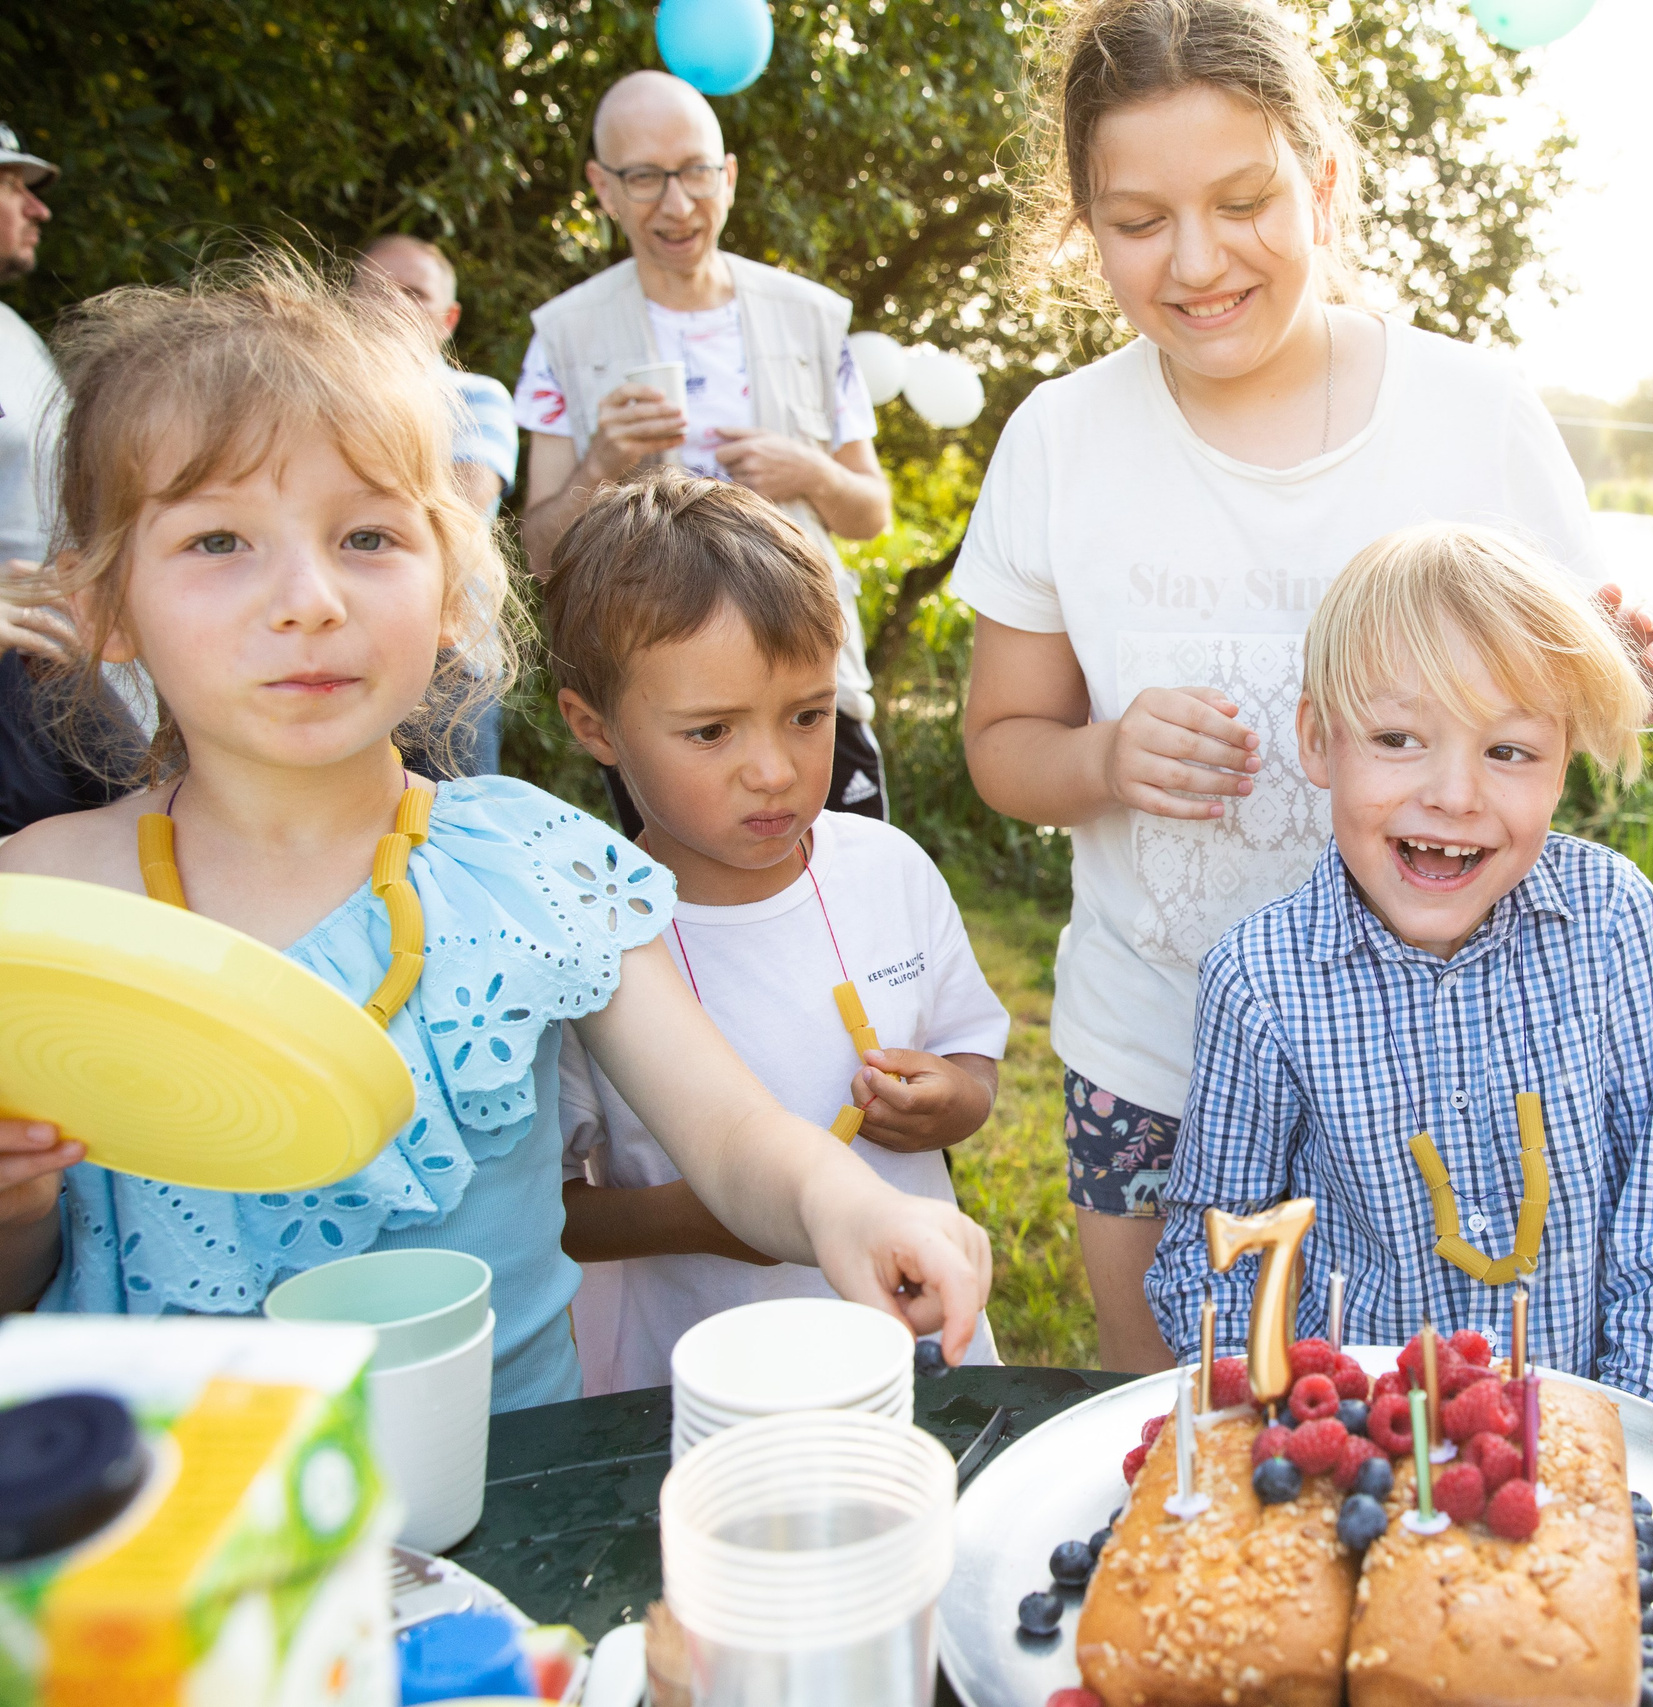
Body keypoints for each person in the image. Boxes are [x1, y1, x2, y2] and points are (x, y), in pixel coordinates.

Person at [0, 257, 987, 1412]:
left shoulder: (541, 865)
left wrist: (845, 1204)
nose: (309, 597)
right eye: (220, 542)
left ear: (451, 584)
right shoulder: (41, 905)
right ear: (105, 601)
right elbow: (29, 1288)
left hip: (505, 1507)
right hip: (164, 1521)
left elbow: (730, 1136)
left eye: (367, 537)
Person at [953, 0, 1653, 1371]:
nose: (1195, 261)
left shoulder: (1473, 415)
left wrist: (1634, 674)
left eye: (1243, 200)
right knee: (1185, 1416)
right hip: (1157, 1048)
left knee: (1430, 1418)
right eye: (1136, 219)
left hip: (1432, 1063)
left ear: (1326, 181)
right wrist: (1106, 757)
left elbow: (1579, 682)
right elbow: (1002, 743)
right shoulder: (1060, 442)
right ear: (1082, 223)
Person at [1144, 523, 1653, 1417]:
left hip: (1579, 1445)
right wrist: (1300, 1414)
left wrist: (1619, 1434)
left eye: (1509, 752)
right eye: (1397, 738)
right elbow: (1214, 1251)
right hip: (1362, 1454)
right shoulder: (1261, 982)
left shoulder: (1616, 923)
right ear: (1317, 739)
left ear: (1564, 760)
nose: (1455, 795)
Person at [541, 470, 1009, 1392]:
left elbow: (974, 1066)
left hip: (918, 1351)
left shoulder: (889, 871)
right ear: (594, 726)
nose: (774, 770)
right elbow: (555, 1215)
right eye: (711, 732)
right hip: (702, 1381)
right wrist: (703, 1213)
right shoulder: (586, 935)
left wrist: (948, 1100)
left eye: (807, 716)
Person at [514, 70, 895, 831]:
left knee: (844, 903)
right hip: (662, 709)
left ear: (727, 177)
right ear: (604, 187)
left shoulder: (812, 320)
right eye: (645, 178)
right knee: (685, 935)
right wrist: (601, 464)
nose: (677, 204)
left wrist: (809, 470)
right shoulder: (563, 337)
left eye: (693, 172)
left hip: (808, 678)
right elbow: (537, 551)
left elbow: (871, 512)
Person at [0, 121, 129, 836]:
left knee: (155, 822)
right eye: (12, 185)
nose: (38, 207)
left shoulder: (14, 335)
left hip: (56, 669)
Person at [360, 234, 520, 781]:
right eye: (374, 292)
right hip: (338, 653)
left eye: (413, 294)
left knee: (454, 837)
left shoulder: (477, 397)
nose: (391, 307)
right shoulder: (306, 407)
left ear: (447, 319)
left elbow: (453, 513)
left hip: (450, 661)